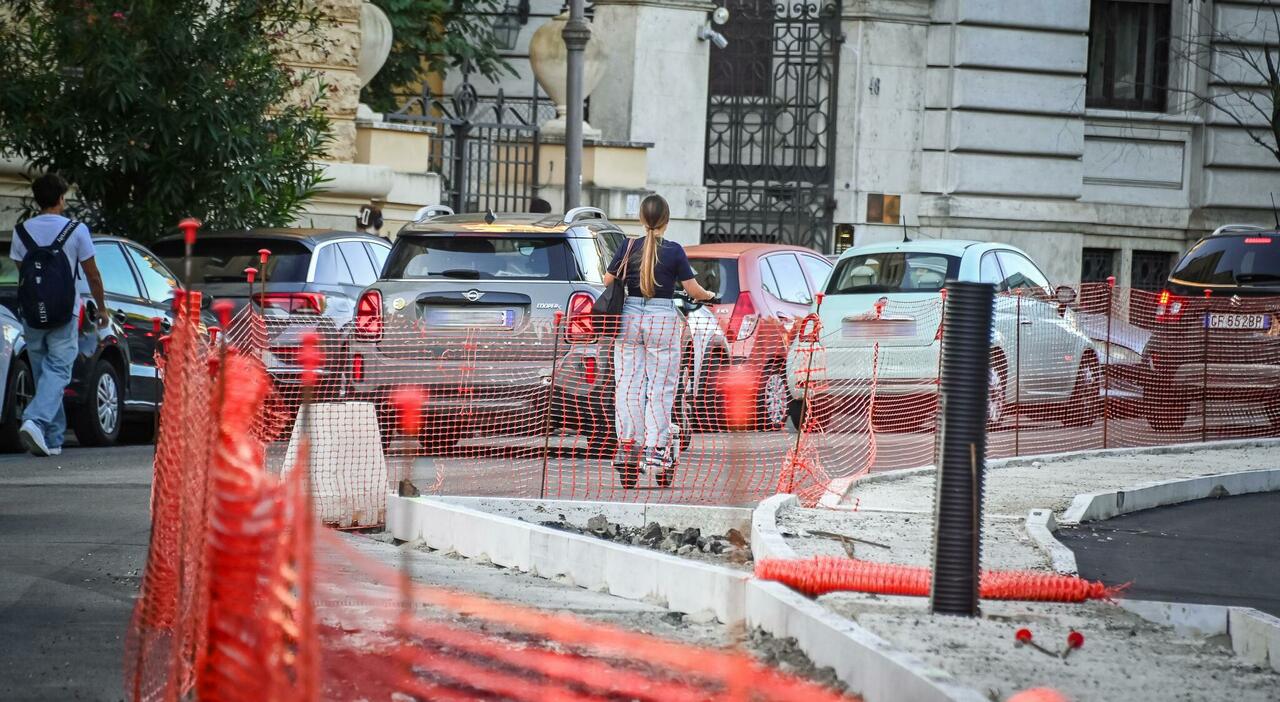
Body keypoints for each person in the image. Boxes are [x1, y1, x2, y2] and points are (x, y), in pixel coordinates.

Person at [603, 194, 717, 480]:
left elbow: (608, 281)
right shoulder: (675, 251)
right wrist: (710, 295)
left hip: (628, 319)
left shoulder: (628, 246)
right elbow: (693, 290)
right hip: (661, 319)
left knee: (628, 385)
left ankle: (627, 446)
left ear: (641, 219)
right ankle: (655, 451)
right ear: (666, 220)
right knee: (660, 388)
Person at [10, 174, 107, 457]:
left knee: (44, 373)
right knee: (60, 371)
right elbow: (92, 273)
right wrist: (100, 308)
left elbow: (23, 270)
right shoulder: (76, 230)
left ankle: (51, 439)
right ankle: (35, 420)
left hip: (32, 311)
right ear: (61, 199)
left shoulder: (21, 231)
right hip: (64, 311)